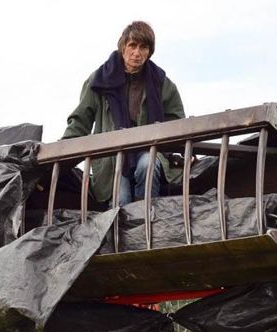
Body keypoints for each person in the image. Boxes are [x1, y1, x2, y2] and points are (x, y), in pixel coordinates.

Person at [63, 21, 185, 206]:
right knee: (120, 198)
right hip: (112, 158)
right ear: (123, 47)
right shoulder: (100, 80)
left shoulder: (160, 82)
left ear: (149, 52)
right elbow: (82, 119)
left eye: (143, 47)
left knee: (147, 165)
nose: (137, 53)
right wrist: (64, 149)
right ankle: (122, 233)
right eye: (132, 46)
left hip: (149, 150)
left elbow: (176, 121)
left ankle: (147, 223)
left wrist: (182, 149)